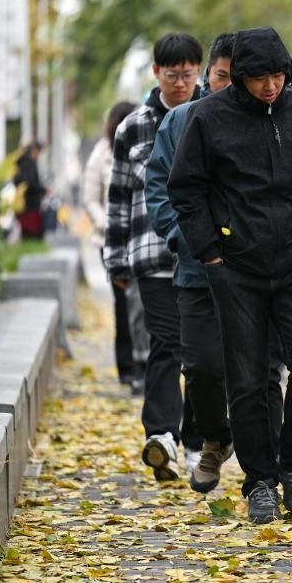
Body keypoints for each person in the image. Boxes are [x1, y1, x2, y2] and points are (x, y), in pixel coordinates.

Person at [168, 26, 292, 524]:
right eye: (260, 77)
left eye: (278, 75)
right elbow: (187, 188)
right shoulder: (208, 117)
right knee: (245, 381)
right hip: (235, 269)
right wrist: (211, 255)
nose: (270, 86)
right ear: (240, 77)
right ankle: (260, 481)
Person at [146, 33, 286, 494]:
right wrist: (188, 239)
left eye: (238, 77)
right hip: (197, 270)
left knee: (262, 372)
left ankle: (266, 467)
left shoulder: (274, 120)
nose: (230, 85)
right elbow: (162, 189)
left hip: (258, 273)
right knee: (203, 366)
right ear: (209, 75)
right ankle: (215, 436)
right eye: (222, 75)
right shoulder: (185, 120)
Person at [103, 33, 204, 482]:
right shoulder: (134, 127)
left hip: (205, 257)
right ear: (156, 73)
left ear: (198, 71)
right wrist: (116, 259)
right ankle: (162, 434)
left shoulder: (212, 118)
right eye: (171, 73)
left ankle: (200, 439)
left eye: (187, 73)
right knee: (165, 343)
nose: (180, 82)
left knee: (202, 352)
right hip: (152, 255)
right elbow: (119, 196)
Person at [81, 101, 149, 393]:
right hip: (110, 238)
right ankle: (128, 367)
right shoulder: (101, 154)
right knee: (123, 305)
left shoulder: (144, 147)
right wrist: (107, 223)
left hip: (141, 237)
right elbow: (90, 198)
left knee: (144, 304)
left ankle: (147, 364)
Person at [12, 142, 48, 239]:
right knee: (32, 233)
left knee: (26, 232)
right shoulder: (29, 165)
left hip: (23, 203)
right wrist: (43, 190)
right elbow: (30, 183)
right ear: (34, 151)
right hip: (30, 204)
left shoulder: (21, 163)